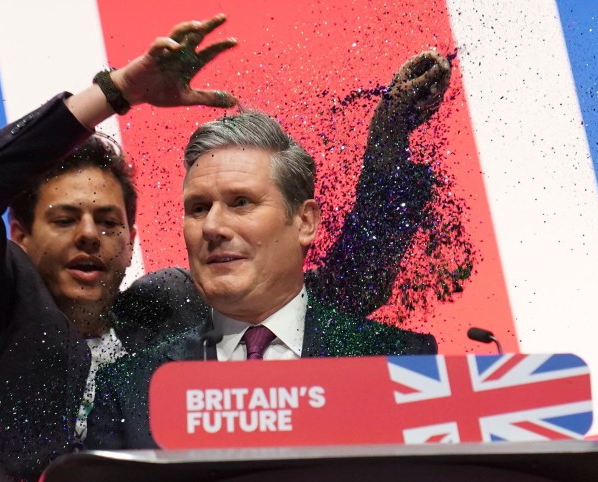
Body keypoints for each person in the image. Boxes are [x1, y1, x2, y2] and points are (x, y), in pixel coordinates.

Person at [0, 13, 449, 482]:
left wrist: (386, 150)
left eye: (108, 222)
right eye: (65, 220)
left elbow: (347, 284)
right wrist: (118, 92)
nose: (89, 237)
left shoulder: (171, 310)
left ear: (131, 239)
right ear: (18, 235)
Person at [85, 110, 437, 450]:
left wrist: (387, 153)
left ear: (304, 222)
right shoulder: (128, 389)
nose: (212, 227)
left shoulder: (399, 361)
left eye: (240, 202)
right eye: (198, 208)